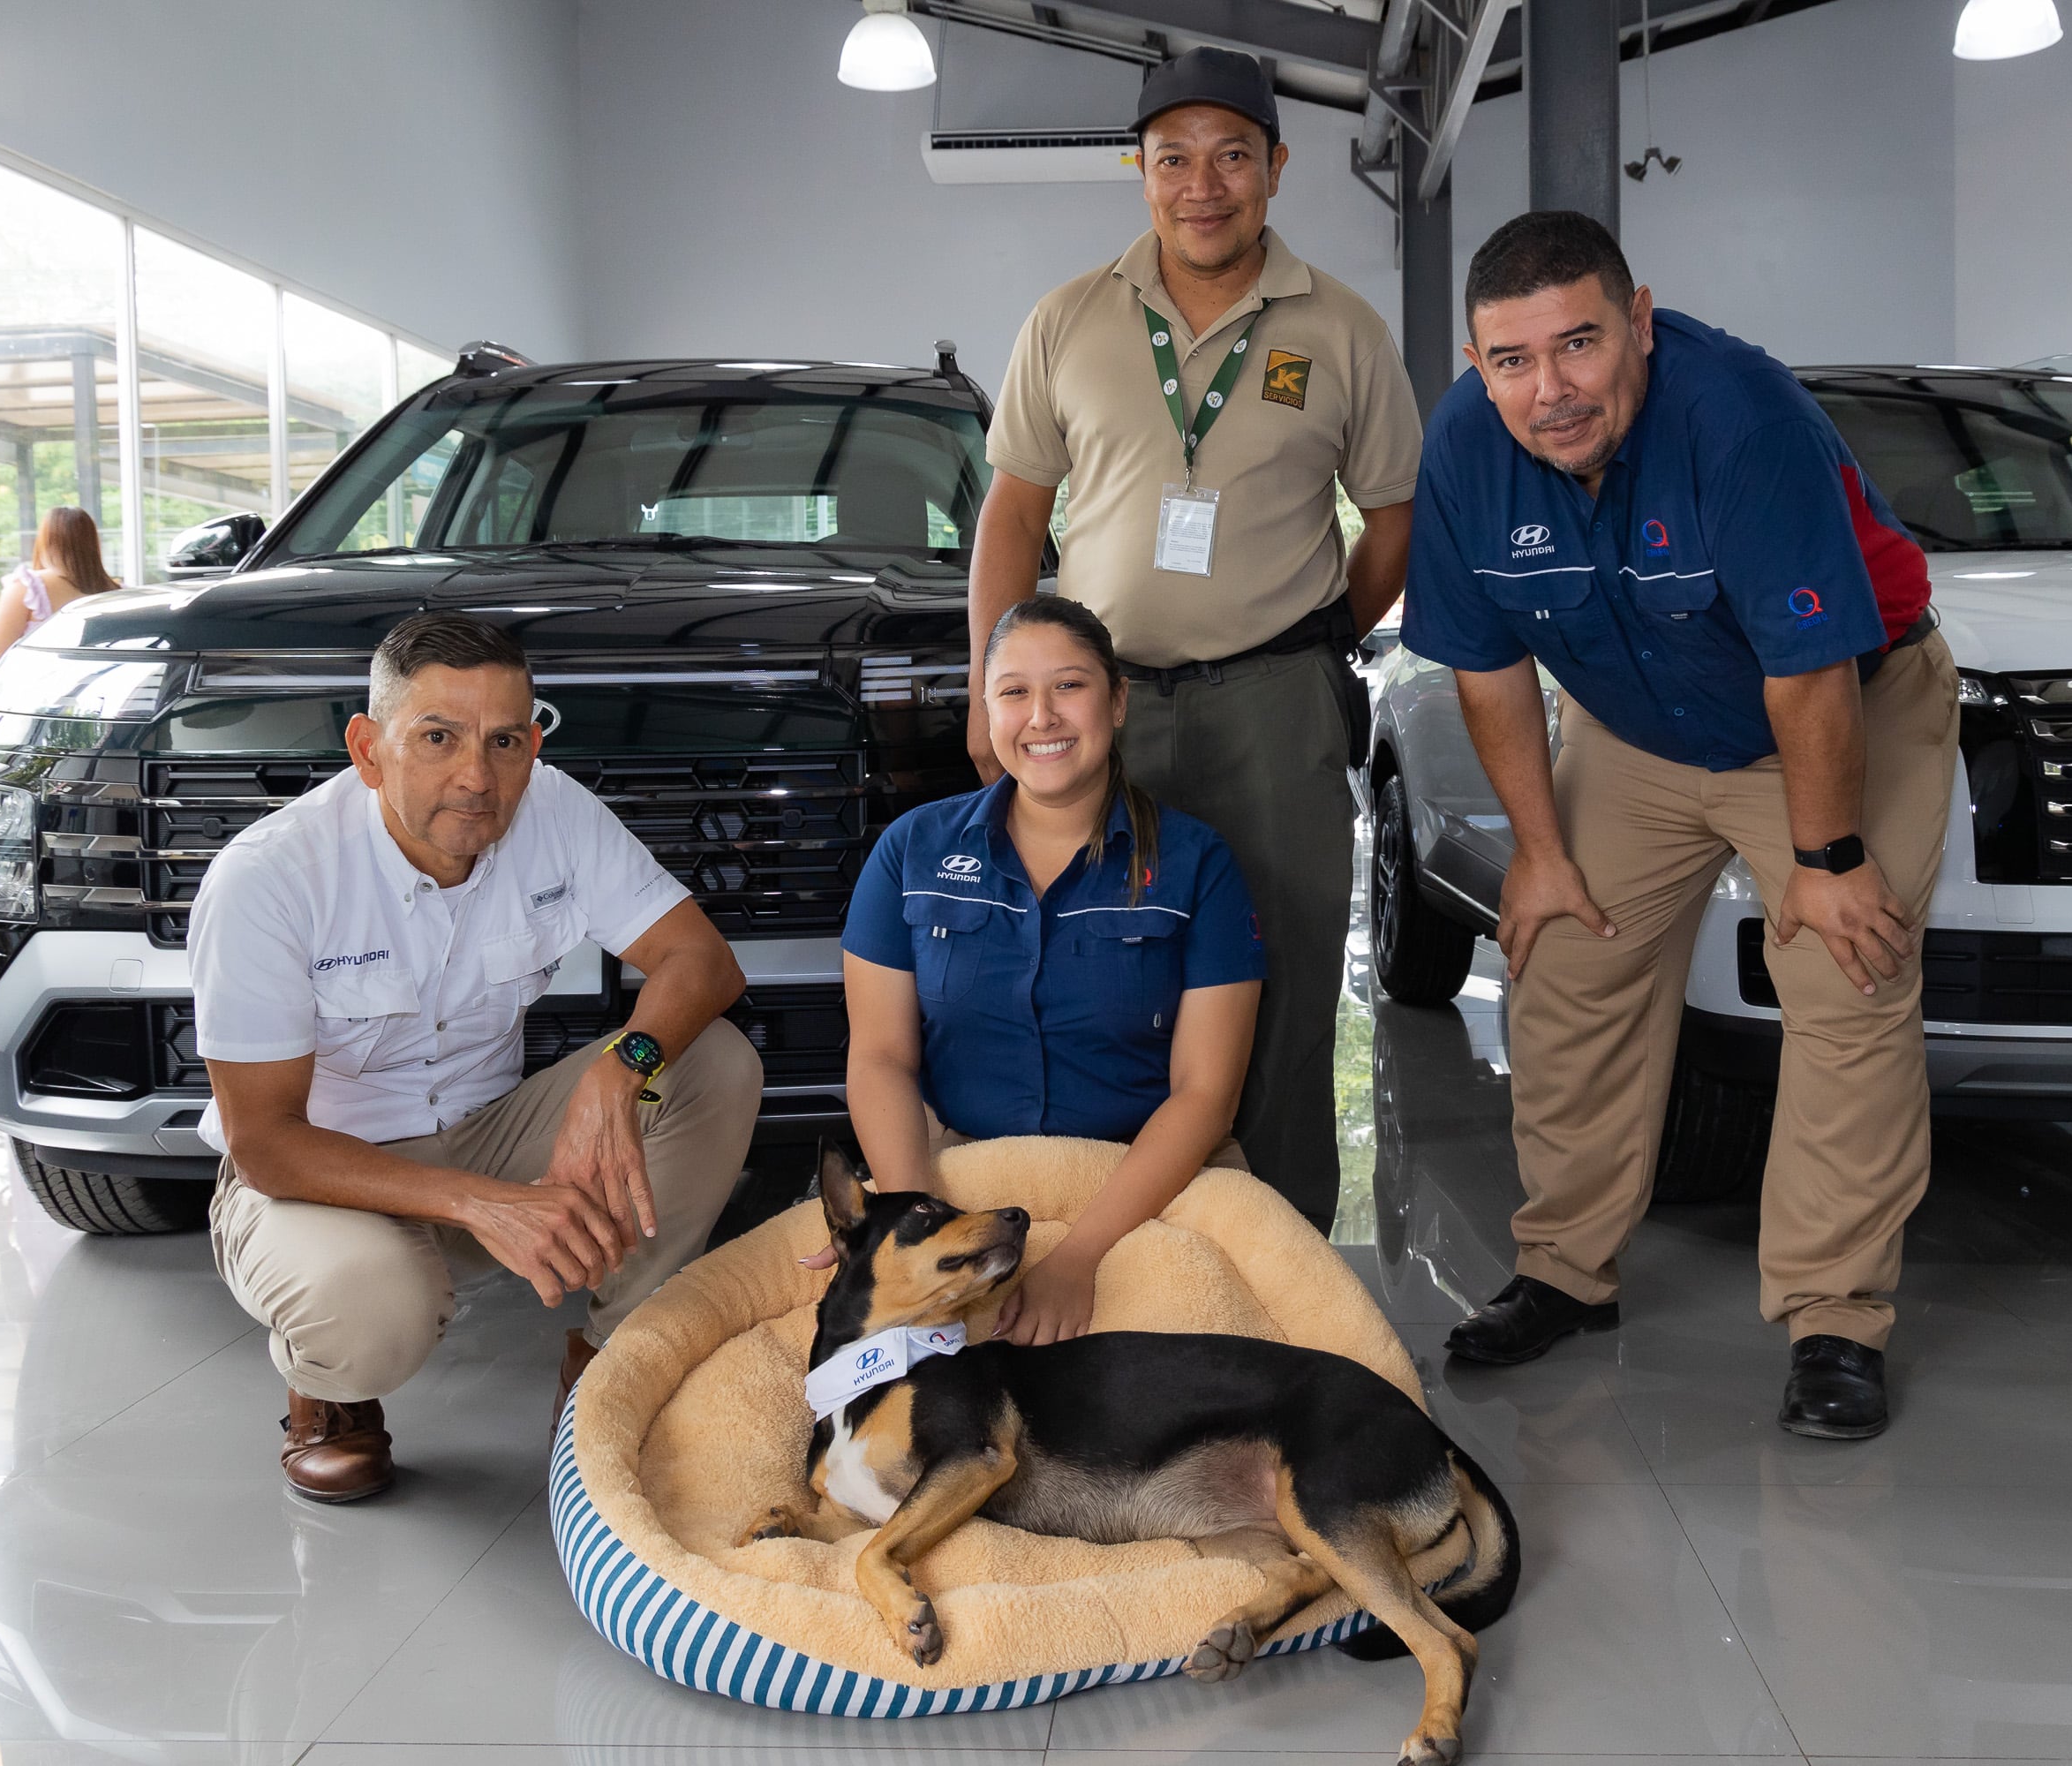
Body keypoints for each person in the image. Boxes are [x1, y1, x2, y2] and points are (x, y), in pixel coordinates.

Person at [1403, 212, 1958, 1439]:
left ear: (1640, 321)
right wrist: (1541, 855)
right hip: (1638, 729)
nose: (1549, 391)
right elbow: (1485, 665)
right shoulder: (1463, 444)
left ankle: (1833, 1318)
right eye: (1512, 361)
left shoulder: (1740, 417)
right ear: (1477, 361)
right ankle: (1563, 1269)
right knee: (1567, 958)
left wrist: (1824, 864)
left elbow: (1808, 670)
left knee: (1846, 974)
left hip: (1835, 712)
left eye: (1581, 345)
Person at [971, 46, 1422, 1234]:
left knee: (1281, 977)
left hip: (1274, 707)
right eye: (1173, 157)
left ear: (1275, 167)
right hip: (1092, 710)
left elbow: (1395, 519)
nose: (1202, 183)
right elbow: (1014, 516)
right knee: (1091, 972)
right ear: (1141, 170)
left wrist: (1321, 644)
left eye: (1232, 155)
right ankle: (1102, 1244)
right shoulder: (1069, 318)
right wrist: (996, 694)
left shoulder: (1342, 329)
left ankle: (1282, 1260)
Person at [193, 612, 765, 1501]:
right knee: (371, 1308)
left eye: (505, 740)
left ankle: (610, 1367)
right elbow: (265, 1140)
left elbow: (704, 962)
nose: (478, 775)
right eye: (438, 737)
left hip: (486, 1131)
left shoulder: (555, 809)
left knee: (710, 1063)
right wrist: (479, 1202)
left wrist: (623, 1068)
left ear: (534, 744)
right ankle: (333, 1392)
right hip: (319, 1175)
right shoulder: (268, 877)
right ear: (369, 747)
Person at [838, 595, 1268, 1344]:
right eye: (1013, 692)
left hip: (1154, 1175)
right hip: (966, 1170)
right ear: (986, 710)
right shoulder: (910, 852)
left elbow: (1205, 1096)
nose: (1042, 717)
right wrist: (917, 1226)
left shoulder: (1200, 865)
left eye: (1069, 685)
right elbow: (879, 1058)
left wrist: (1079, 1258)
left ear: (1118, 700)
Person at [0, 505, 122, 683]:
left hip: (35, 696)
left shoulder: (28, 588)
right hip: (98, 697)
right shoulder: (118, 594)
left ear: (45, 541)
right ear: (93, 543)